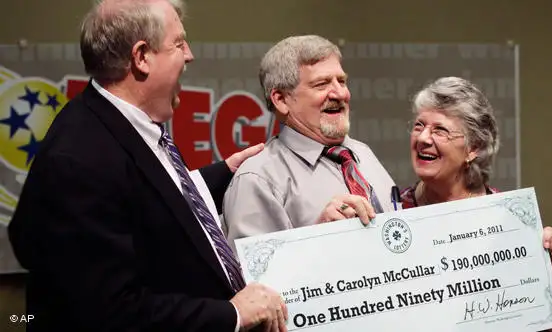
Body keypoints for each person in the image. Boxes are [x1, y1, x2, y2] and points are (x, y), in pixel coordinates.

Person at [8, 0, 288, 331]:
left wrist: (223, 172)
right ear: (141, 57)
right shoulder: (78, 161)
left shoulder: (118, 123)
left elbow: (146, 201)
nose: (189, 55)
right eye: (179, 43)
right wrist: (233, 314)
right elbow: (109, 314)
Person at [400, 76, 552, 330]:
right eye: (419, 126)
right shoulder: (392, 211)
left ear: (474, 147)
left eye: (440, 130)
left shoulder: (512, 220)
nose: (423, 138)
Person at [222, 35, 396, 248]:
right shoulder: (258, 179)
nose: (340, 93)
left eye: (341, 81)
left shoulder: (362, 154)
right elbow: (257, 276)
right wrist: (318, 238)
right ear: (281, 100)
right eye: (321, 84)